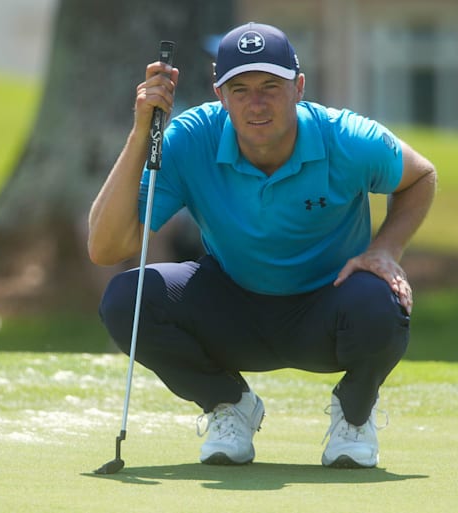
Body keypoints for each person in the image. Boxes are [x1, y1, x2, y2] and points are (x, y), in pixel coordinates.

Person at [87, 22, 436, 468]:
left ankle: (354, 415)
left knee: (383, 300)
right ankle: (229, 404)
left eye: (271, 85)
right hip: (233, 307)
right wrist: (141, 133)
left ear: (298, 87)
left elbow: (421, 176)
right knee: (126, 299)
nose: (256, 102)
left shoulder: (344, 137)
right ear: (220, 94)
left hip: (329, 309)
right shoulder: (191, 138)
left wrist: (386, 249)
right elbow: (107, 248)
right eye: (241, 88)